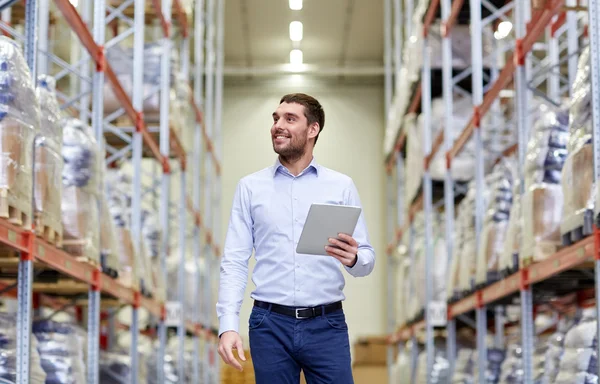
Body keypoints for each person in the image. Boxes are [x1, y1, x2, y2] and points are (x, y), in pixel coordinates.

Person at [216, 93, 376, 384]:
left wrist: (354, 258)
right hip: (269, 324)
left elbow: (366, 259)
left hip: (326, 324)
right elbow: (234, 261)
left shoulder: (340, 186)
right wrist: (227, 325)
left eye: (290, 119)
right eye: (276, 118)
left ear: (312, 130)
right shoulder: (250, 188)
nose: (278, 125)